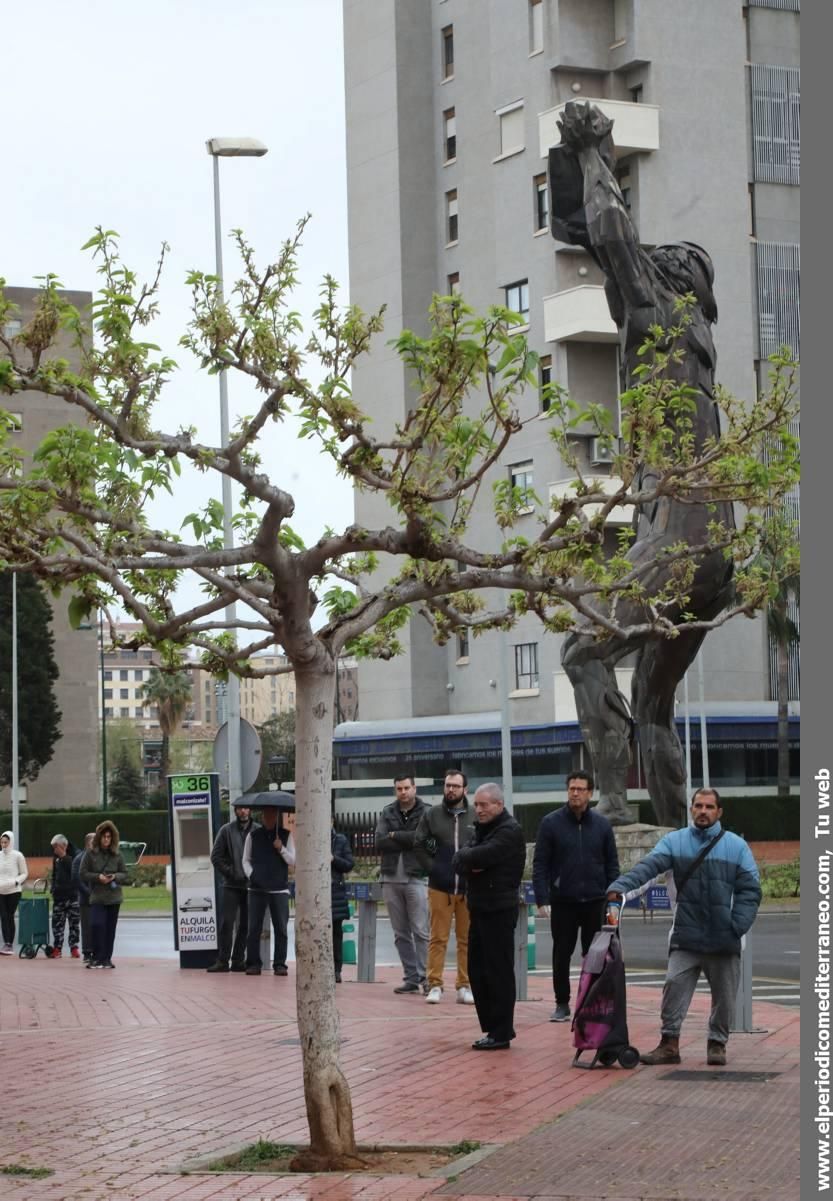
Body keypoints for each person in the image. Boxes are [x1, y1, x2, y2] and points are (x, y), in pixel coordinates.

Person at [550, 100, 734, 829]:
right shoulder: (691, 338)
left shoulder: (658, 311)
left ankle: (615, 818)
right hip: (713, 547)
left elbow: (610, 234)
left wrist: (596, 150)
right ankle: (679, 838)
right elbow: (598, 237)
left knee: (579, 650)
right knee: (654, 704)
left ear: (676, 278)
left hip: (681, 539)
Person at [607, 787, 761, 1066]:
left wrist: (736, 926)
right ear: (691, 809)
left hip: (723, 937)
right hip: (685, 936)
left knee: (725, 997)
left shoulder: (737, 846)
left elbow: (750, 890)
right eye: (698, 806)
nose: (703, 811)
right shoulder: (674, 842)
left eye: (709, 807)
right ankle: (669, 1045)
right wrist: (620, 889)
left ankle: (717, 1044)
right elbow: (647, 870)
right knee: (673, 988)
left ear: (719, 812)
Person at [532, 770, 620, 1022]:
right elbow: (540, 864)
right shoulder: (551, 823)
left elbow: (612, 864)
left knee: (595, 955)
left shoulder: (602, 825)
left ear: (590, 793)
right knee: (561, 954)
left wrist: (613, 898)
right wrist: (542, 898)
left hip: (595, 901)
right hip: (563, 902)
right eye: (572, 788)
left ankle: (592, 1001)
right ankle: (562, 1003)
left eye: (581, 789)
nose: (575, 793)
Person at [452, 783, 526, 1050]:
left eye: (484, 805)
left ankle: (502, 1031)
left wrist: (470, 860)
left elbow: (481, 855)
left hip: (499, 909)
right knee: (477, 970)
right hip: (479, 907)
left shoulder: (509, 831)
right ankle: (492, 1027)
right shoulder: (482, 830)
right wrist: (471, 864)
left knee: (498, 971)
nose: (479, 809)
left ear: (498, 805)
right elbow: (460, 860)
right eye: (477, 805)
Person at [414, 769, 477, 1005]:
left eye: (456, 786)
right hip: (440, 887)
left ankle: (464, 985)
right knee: (437, 938)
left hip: (469, 888)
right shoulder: (432, 815)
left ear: (465, 789)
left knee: (466, 939)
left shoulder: (475, 814)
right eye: (448, 785)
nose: (451, 789)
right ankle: (435, 985)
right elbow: (418, 844)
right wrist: (433, 869)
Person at [375, 774, 431, 994]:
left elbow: (428, 841)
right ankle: (411, 978)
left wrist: (395, 835)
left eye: (407, 788)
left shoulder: (427, 811)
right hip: (390, 877)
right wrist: (410, 838)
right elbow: (379, 841)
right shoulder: (387, 811)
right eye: (399, 788)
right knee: (400, 933)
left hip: (416, 877)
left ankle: (427, 977)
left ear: (414, 788)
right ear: (395, 790)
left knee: (421, 931)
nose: (403, 792)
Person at [242, 804, 295, 976]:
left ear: (277, 816)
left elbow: (293, 860)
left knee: (281, 928)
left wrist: (281, 849)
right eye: (266, 814)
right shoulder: (253, 835)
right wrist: (252, 875)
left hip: (279, 889)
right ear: (262, 816)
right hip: (257, 889)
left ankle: (280, 964)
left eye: (272, 814)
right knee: (254, 928)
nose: (269, 817)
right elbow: (246, 860)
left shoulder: (286, 835)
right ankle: (253, 963)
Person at [207, 800, 257, 973]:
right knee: (227, 923)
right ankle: (222, 960)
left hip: (251, 885)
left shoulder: (257, 830)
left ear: (250, 810)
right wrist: (231, 872)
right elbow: (216, 857)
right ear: (235, 811)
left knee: (245, 925)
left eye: (246, 808)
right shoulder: (226, 830)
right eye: (240, 809)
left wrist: (254, 874)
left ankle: (238, 960)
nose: (243, 812)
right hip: (231, 885)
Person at [80, 820, 128, 969]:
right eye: (104, 836)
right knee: (96, 925)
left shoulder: (117, 854)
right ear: (99, 837)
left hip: (114, 897)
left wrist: (115, 877)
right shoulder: (90, 854)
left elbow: (125, 873)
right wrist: (97, 877)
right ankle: (96, 957)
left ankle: (106, 958)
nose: (106, 839)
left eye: (109, 836)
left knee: (110, 929)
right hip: (98, 896)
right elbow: (82, 873)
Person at [48, 834, 81, 959]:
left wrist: (64, 857)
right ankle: (57, 948)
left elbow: (75, 871)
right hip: (59, 897)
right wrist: (53, 888)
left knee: (74, 924)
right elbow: (55, 873)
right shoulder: (55, 857)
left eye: (55, 847)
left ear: (63, 846)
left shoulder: (76, 854)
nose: (54, 850)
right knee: (57, 924)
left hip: (72, 896)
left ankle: (74, 947)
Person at [330, 825, 354, 983]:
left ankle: (336, 970)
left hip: (335, 892)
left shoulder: (340, 840)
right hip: (317, 891)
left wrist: (333, 858)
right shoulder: (310, 837)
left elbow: (349, 864)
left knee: (336, 933)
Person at [0, 831, 27, 954]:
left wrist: (16, 882)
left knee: (9, 916)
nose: (4, 844)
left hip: (14, 891)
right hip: (1, 890)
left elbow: (24, 873)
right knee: (4, 916)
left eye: (6, 842)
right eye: (2, 842)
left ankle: (9, 944)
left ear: (11, 842)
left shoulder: (18, 856)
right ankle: (7, 943)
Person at [71, 833, 95, 962]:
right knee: (86, 927)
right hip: (86, 900)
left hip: (98, 899)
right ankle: (87, 952)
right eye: (93, 842)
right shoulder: (79, 859)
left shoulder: (99, 858)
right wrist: (88, 892)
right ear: (87, 843)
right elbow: (76, 879)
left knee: (98, 926)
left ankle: (96, 951)